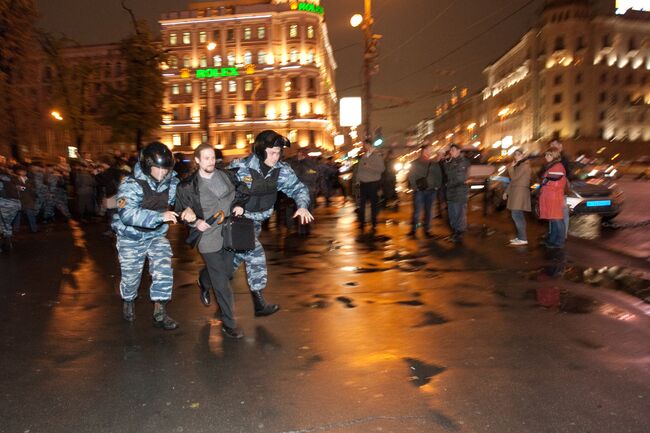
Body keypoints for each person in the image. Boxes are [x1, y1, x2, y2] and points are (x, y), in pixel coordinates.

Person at [228, 130, 313, 316]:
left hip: (257, 222)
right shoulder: (240, 168)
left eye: (278, 153)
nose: (276, 157)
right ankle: (259, 304)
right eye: (272, 152)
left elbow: (298, 188)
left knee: (233, 260)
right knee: (254, 253)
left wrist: (303, 205)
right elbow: (220, 191)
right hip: (239, 221)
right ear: (260, 151)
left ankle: (208, 279)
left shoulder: (281, 171)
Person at [176, 144, 249, 339]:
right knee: (222, 281)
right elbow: (181, 211)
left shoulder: (227, 176)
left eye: (213, 157)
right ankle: (229, 323)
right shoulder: (187, 186)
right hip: (208, 236)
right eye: (206, 158)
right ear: (197, 161)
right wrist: (194, 221)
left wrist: (240, 205)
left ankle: (203, 279)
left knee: (226, 271)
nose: (211, 161)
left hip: (229, 232)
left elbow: (242, 191)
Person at [112, 142, 181, 330]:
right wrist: (160, 216)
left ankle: (160, 312)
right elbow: (127, 214)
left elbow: (183, 200)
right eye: (157, 168)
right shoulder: (131, 184)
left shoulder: (172, 183)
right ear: (146, 165)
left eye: (165, 169)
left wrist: (189, 210)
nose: (162, 173)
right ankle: (128, 299)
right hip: (130, 237)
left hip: (156, 236)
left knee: (163, 269)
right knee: (131, 278)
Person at [407, 145, 442, 238]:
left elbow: (438, 176)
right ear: (422, 151)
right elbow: (411, 176)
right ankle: (413, 230)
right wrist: (415, 187)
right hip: (419, 191)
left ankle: (427, 230)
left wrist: (436, 186)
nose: (429, 152)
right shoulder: (415, 163)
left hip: (431, 191)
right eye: (427, 150)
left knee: (429, 211)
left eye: (430, 150)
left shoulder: (433, 163)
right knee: (417, 211)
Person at [538, 148, 567, 249]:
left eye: (548, 155)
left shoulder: (558, 166)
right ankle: (552, 239)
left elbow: (558, 184)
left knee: (557, 219)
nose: (546, 157)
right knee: (553, 219)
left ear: (554, 155)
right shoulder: (552, 166)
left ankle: (559, 241)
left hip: (554, 196)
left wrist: (545, 183)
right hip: (550, 196)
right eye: (546, 155)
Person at [356, 139, 385, 233]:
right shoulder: (364, 156)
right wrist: (358, 180)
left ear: (370, 145)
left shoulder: (377, 156)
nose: (364, 147)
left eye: (366, 145)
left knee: (373, 204)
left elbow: (382, 169)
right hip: (363, 184)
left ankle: (374, 224)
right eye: (364, 146)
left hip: (373, 183)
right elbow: (359, 169)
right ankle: (362, 223)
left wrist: (369, 167)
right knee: (362, 205)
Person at [503, 149, 532, 246]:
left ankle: (523, 238)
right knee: (518, 215)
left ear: (523, 155)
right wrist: (506, 192)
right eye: (515, 155)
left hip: (520, 192)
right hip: (516, 192)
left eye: (518, 155)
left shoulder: (525, 165)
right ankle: (521, 237)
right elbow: (513, 181)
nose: (516, 156)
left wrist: (511, 168)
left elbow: (514, 177)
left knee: (516, 215)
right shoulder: (520, 165)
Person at [442, 144, 470, 243]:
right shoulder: (451, 161)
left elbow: (460, 178)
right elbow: (446, 173)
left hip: (459, 192)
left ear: (459, 151)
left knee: (459, 214)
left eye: (453, 150)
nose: (451, 152)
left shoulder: (463, 162)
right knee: (452, 214)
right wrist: (446, 161)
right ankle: (455, 232)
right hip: (451, 192)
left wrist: (448, 184)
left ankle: (459, 233)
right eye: (450, 150)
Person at [0, 166, 21, 252]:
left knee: (2, 225)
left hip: (4, 204)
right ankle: (8, 244)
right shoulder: (11, 179)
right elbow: (20, 189)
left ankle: (3, 246)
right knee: (6, 224)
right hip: (15, 205)